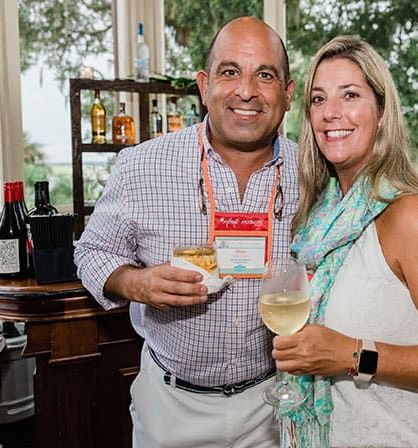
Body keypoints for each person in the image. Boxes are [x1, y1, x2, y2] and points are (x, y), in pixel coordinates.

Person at [74, 16, 297, 448]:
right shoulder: (141, 165)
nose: (246, 91)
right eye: (229, 72)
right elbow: (92, 251)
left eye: (265, 75)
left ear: (287, 95)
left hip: (274, 403)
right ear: (204, 85)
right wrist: (135, 283)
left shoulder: (313, 173)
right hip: (172, 408)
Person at [269, 35, 418, 447]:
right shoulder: (317, 217)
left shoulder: (415, 217)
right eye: (318, 99)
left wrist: (352, 355)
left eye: (350, 95)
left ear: (382, 111)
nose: (331, 113)